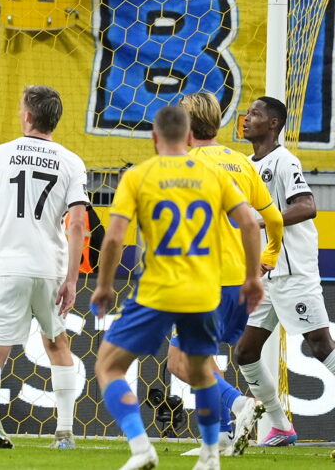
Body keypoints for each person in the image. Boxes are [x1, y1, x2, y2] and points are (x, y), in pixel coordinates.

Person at [91, 105, 263, 470]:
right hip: (203, 291)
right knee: (201, 372)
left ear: (155, 138)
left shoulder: (139, 176)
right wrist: (252, 277)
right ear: (189, 137)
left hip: (157, 289)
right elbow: (250, 221)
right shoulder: (212, 173)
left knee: (109, 366)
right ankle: (211, 456)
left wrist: (104, 285)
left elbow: (113, 240)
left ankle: (141, 448)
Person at [162, 93, 284, 456]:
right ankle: (221, 437)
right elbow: (274, 218)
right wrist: (270, 255)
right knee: (201, 360)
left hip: (201, 279)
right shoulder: (240, 163)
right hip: (240, 282)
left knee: (180, 363)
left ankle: (236, 405)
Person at [0, 85, 88, 450]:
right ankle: (66, 432)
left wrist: (5, 235)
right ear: (55, 119)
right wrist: (71, 279)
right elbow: (77, 225)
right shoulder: (71, 162)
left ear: (27, 115)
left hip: (7, 264)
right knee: (57, 343)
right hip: (49, 267)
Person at [234, 96, 335, 446]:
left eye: (256, 115)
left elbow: (307, 206)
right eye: (247, 114)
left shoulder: (284, 160)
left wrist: (261, 220)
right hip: (266, 275)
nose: (246, 119)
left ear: (273, 124)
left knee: (321, 346)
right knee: (245, 352)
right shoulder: (247, 164)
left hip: (293, 271)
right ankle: (279, 425)